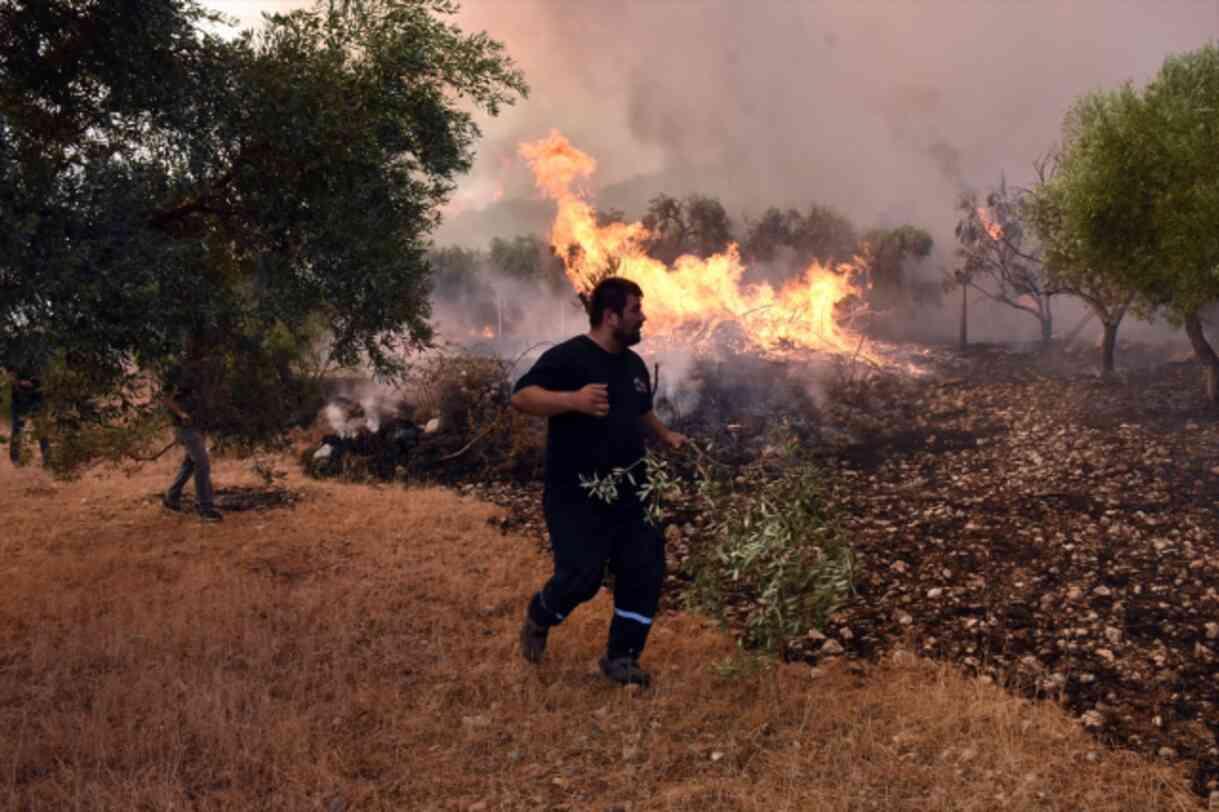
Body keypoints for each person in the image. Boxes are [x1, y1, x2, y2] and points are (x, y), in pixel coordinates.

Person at [510, 277, 687, 687]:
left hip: (630, 491)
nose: (643, 317)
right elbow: (521, 397)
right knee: (582, 577)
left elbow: (641, 410)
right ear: (610, 316)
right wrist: (572, 400)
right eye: (635, 310)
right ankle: (541, 613)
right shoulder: (570, 358)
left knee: (646, 570)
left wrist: (664, 435)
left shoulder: (633, 364)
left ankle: (621, 658)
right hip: (575, 493)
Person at [161, 360, 223, 522]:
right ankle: (205, 508)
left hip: (198, 426)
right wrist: (182, 414)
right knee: (202, 464)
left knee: (190, 463)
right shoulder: (176, 371)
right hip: (185, 427)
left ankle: (171, 498)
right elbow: (165, 399)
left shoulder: (200, 371)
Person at [5, 338, 50, 467]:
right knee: (17, 429)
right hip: (19, 398)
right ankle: (15, 459)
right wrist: (19, 383)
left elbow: (44, 376)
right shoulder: (13, 355)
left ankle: (47, 459)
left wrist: (33, 383)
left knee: (41, 429)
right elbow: (10, 374)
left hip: (36, 397)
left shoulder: (41, 356)